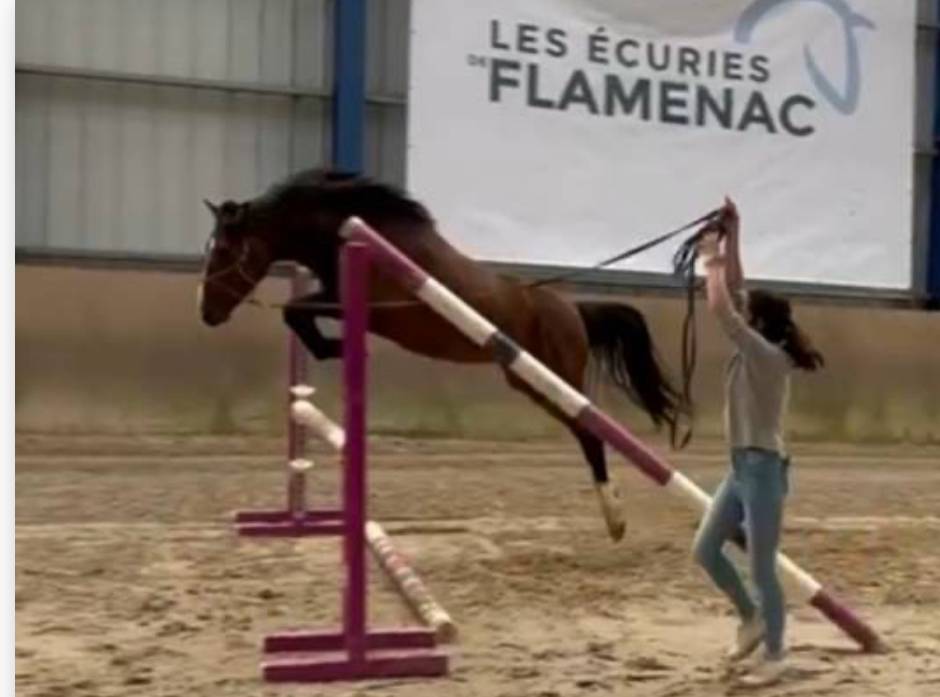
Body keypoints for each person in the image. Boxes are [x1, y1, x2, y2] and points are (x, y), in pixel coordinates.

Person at [692, 198, 824, 687]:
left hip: (764, 470)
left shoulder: (766, 356)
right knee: (706, 550)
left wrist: (711, 255)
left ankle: (776, 652)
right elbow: (737, 291)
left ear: (760, 324)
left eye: (751, 313)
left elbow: (722, 303)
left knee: (764, 567)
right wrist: (733, 233)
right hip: (741, 468)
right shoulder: (761, 344)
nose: (743, 311)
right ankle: (750, 619)